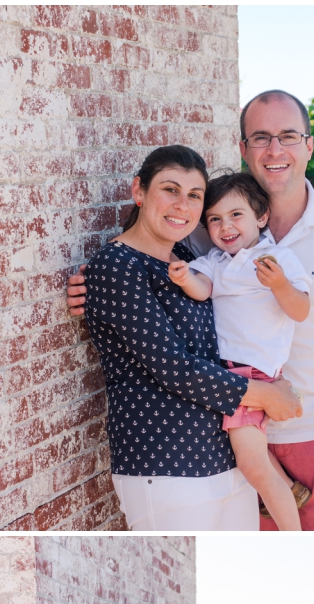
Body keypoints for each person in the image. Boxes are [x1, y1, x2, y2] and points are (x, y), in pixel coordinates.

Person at [67, 90, 314, 531]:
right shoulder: (210, 236)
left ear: (309, 145)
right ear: (242, 148)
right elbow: (147, 261)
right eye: (260, 137)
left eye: (288, 136)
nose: (275, 150)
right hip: (231, 438)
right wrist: (90, 285)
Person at [81, 144, 302, 531]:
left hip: (225, 457)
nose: (182, 205)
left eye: (194, 196)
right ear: (139, 191)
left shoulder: (185, 255)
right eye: (170, 190)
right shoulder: (116, 266)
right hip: (166, 463)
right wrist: (266, 394)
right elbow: (174, 367)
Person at [170, 172, 312, 531]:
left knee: (252, 465)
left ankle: (295, 538)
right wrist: (185, 277)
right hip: (227, 375)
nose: (225, 226)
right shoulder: (215, 261)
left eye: (236, 215)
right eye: (215, 219)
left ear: (261, 217)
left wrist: (279, 284)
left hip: (252, 376)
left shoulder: (276, 258)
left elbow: (301, 310)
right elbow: (202, 288)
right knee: (252, 453)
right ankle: (290, 491)